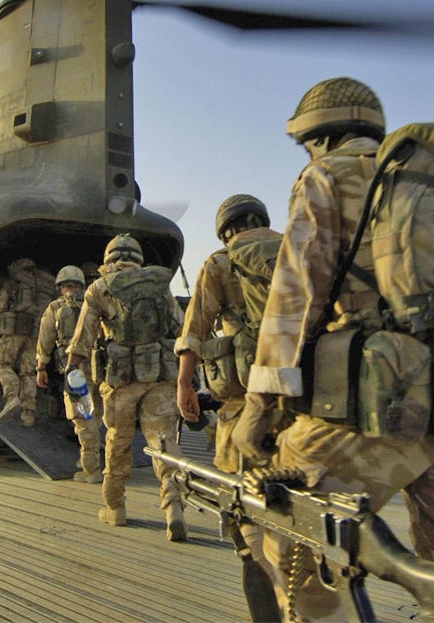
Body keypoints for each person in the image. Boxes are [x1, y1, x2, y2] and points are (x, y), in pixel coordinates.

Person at [233, 77, 434, 621]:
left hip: (374, 405)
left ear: (320, 137)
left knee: (286, 535)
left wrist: (257, 413)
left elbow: (294, 300)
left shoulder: (328, 174)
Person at [175, 194, 282, 591]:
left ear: (224, 230)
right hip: (308, 403)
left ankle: (265, 581)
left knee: (243, 498)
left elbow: (195, 331)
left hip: (246, 403)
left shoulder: (221, 262)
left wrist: (185, 385)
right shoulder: (300, 250)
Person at [65, 234, 187, 541]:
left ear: (108, 259)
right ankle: (173, 506)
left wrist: (72, 373)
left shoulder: (99, 288)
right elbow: (180, 328)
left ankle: (115, 507)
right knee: (163, 441)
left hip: (120, 381)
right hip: (159, 376)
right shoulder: (159, 283)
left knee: (118, 442)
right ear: (138, 257)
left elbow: (83, 339)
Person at [36, 265, 103, 483]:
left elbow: (45, 340)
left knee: (84, 418)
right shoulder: (96, 303)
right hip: (101, 367)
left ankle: (91, 469)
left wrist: (41, 368)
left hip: (75, 370)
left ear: (61, 287)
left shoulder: (55, 307)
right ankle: (110, 465)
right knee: (104, 415)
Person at [0, 258, 56, 426]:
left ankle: (12, 397)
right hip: (36, 331)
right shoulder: (45, 285)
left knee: (3, 364)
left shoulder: (14, 284)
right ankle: (28, 413)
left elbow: (0, 306)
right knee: (28, 372)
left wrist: (0, 316)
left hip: (15, 327)